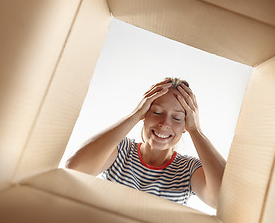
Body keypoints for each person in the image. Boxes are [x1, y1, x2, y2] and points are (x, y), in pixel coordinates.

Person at [66, 78, 226, 208]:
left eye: (177, 118)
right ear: (145, 114)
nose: (164, 123)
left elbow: (224, 200)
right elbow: (75, 168)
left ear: (185, 126)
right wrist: (135, 114)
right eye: (156, 112)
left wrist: (196, 130)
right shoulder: (121, 150)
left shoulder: (188, 169)